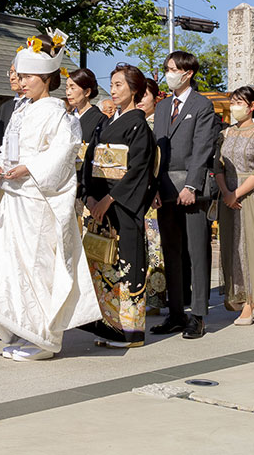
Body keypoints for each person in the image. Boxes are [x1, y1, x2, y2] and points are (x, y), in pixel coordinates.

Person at [0, 32, 100, 361]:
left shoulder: (56, 113)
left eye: (27, 78)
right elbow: (7, 150)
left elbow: (64, 154)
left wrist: (30, 168)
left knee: (38, 267)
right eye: (20, 77)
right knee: (13, 268)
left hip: (39, 202)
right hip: (14, 200)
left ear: (46, 79)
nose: (21, 83)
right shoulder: (22, 110)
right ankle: (22, 331)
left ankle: (43, 338)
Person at [83, 64, 156, 347]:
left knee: (127, 262)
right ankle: (108, 326)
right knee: (104, 265)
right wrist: (90, 195)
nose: (113, 90)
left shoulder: (139, 124)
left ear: (134, 89)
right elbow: (91, 160)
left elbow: (139, 169)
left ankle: (130, 331)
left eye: (119, 85)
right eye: (111, 85)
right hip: (101, 202)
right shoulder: (106, 122)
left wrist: (109, 199)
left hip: (122, 204)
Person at [151, 51, 220, 340]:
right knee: (171, 252)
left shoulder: (202, 105)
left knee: (197, 251)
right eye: (166, 69)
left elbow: (202, 148)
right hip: (164, 189)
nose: (168, 74)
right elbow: (157, 151)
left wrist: (191, 186)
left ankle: (199, 315)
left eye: (172, 69)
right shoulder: (164, 106)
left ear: (187, 73)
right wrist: (153, 187)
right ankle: (176, 313)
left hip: (192, 189)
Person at [214, 86, 254, 325]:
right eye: (233, 101)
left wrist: (237, 193)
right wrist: (226, 192)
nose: (235, 106)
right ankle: (237, 295)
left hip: (248, 195)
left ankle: (250, 302)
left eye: (240, 102)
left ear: (251, 106)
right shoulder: (226, 133)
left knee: (249, 246)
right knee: (232, 246)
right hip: (226, 194)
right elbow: (217, 166)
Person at [138, 78, 168, 313]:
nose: (140, 101)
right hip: (135, 190)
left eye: (144, 96)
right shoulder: (135, 121)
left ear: (156, 98)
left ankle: (156, 296)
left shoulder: (159, 122)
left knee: (154, 244)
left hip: (152, 188)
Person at [65, 67, 106, 199]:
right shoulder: (66, 118)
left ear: (87, 91)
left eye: (72, 87)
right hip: (65, 180)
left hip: (87, 183)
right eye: (67, 88)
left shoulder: (100, 119)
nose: (68, 92)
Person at [0, 60, 26, 160]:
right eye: (10, 72)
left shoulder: (36, 105)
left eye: (17, 73)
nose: (12, 77)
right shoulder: (5, 107)